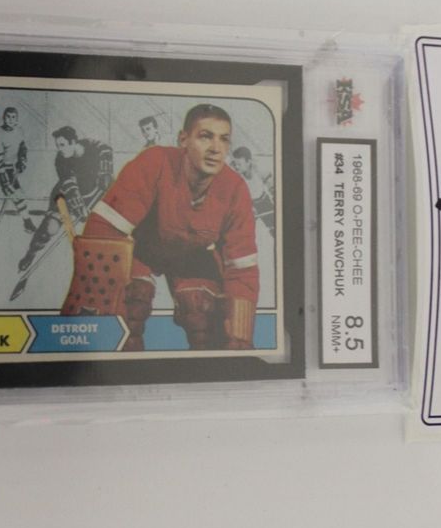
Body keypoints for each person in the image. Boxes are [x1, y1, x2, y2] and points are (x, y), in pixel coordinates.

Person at [61, 104, 259, 351]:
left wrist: (239, 338)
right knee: (127, 314)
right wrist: (97, 310)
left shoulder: (235, 188)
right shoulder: (153, 162)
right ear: (183, 139)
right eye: (205, 136)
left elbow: (242, 270)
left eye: (224, 139)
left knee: (205, 318)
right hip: (140, 248)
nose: (215, 148)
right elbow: (104, 232)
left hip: (191, 254)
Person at [17, 126, 113, 273]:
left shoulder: (90, 145)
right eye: (57, 145)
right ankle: (31, 254)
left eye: (62, 145)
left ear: (73, 142)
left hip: (93, 193)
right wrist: (80, 209)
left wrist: (106, 172)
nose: (60, 149)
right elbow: (71, 187)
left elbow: (105, 149)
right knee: (49, 229)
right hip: (65, 196)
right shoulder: (61, 160)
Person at [230, 146, 276, 237]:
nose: (237, 167)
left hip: (263, 201)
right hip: (250, 203)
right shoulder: (236, 176)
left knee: (273, 227)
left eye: (239, 164)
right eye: (235, 164)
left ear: (248, 162)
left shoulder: (259, 170)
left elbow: (272, 188)